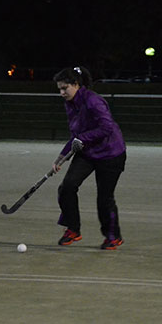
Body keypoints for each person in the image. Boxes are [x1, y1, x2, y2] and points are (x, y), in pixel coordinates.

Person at [52, 66, 127, 250]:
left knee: (104, 198)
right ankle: (73, 229)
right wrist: (61, 158)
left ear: (76, 85)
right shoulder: (70, 104)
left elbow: (106, 128)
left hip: (111, 154)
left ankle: (113, 236)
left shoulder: (93, 101)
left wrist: (82, 139)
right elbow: (75, 134)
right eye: (59, 89)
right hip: (88, 153)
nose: (62, 93)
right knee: (67, 187)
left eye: (64, 88)